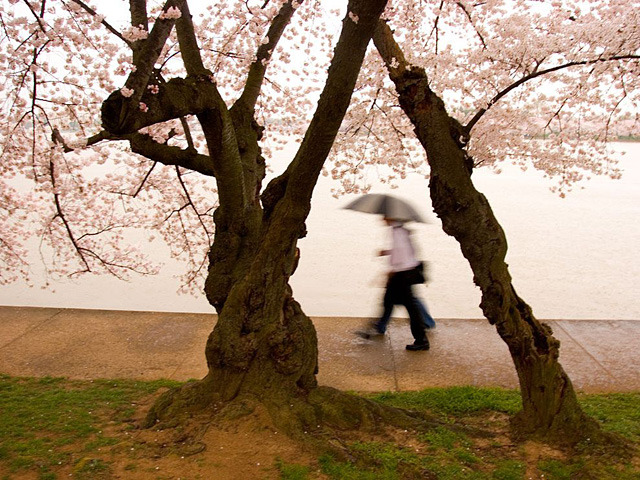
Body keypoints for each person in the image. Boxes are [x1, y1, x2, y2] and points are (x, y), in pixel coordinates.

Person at [358, 217, 433, 350]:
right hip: (402, 273)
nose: (382, 219)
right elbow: (404, 252)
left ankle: (421, 339)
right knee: (389, 302)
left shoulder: (398, 232)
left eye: (385, 216)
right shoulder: (399, 230)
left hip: (402, 275)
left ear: (391, 217)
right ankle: (376, 328)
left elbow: (402, 256)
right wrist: (387, 252)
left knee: (411, 307)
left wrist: (392, 271)